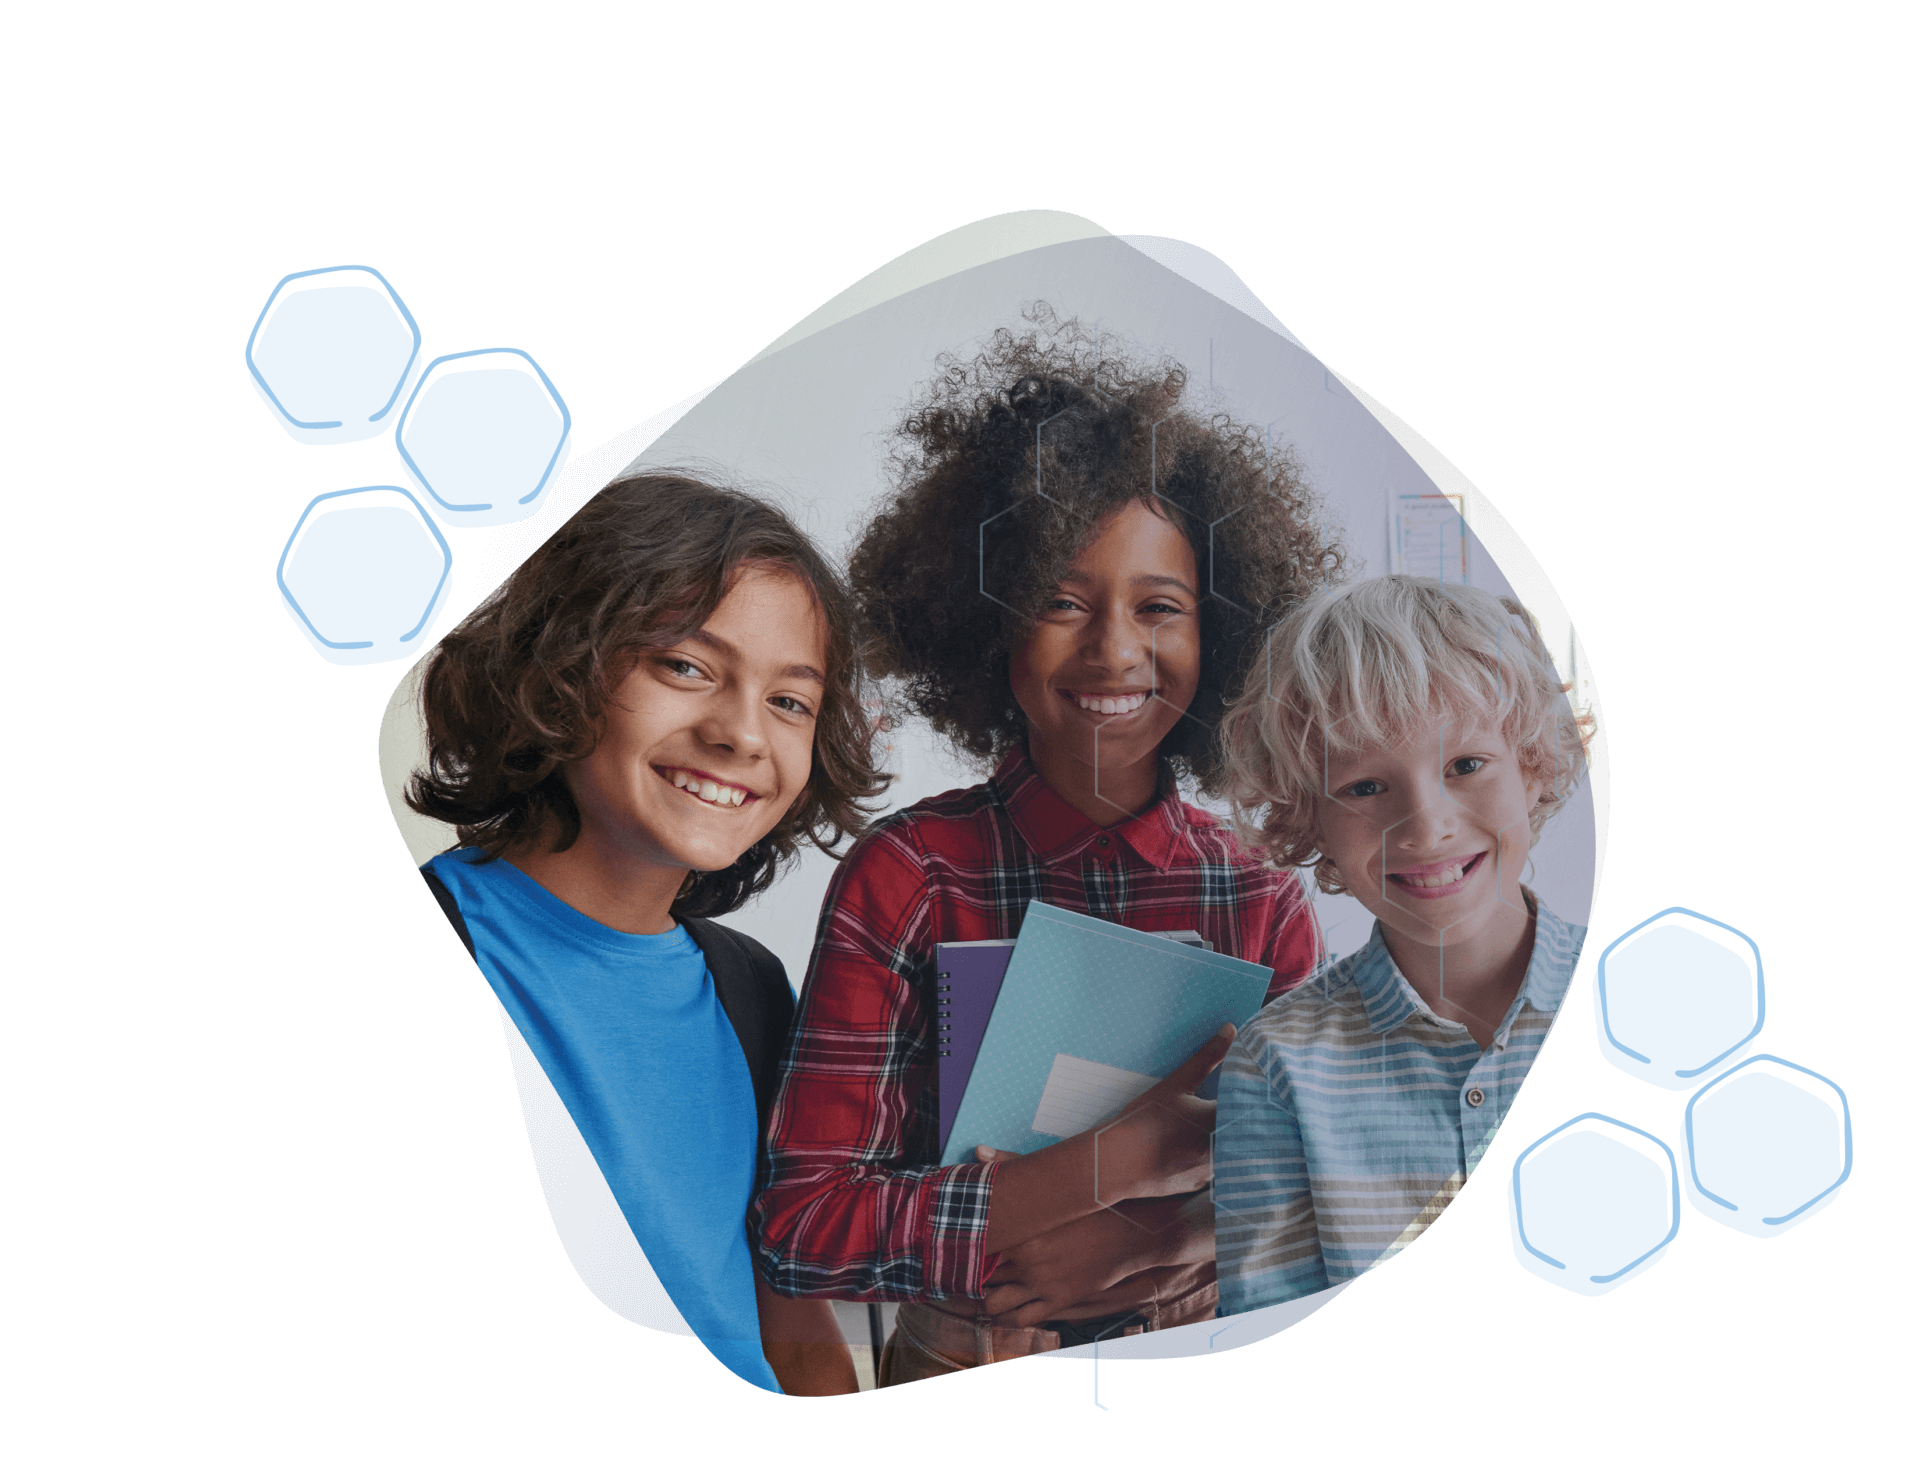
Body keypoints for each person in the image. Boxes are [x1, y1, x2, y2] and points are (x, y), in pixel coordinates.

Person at [750, 308, 1343, 1382]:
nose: (1116, 649)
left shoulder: (1264, 900)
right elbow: (802, 1224)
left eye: (1160, 606)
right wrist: (1073, 1183)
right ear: (986, 627)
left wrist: (1153, 1244)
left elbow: (1318, 1195)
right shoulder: (909, 876)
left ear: (1220, 630)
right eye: (1060, 601)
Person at [407, 472, 887, 1395]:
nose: (743, 734)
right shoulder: (464, 933)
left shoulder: (754, 992)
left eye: (790, 701)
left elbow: (785, 1314)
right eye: (686, 667)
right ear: (562, 665)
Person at [1211, 574, 1594, 1314]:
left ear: (1533, 767)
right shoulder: (1275, 1065)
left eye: (1465, 766)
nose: (1426, 826)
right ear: (1307, 820)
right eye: (1364, 787)